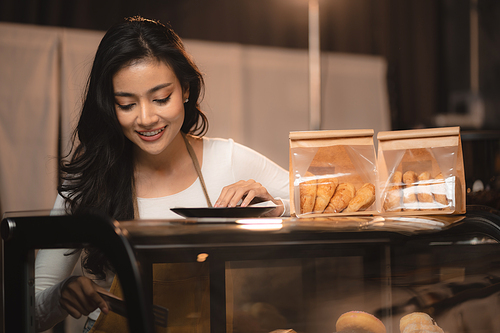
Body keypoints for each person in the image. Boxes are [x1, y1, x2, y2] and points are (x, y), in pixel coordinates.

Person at [34, 16, 289, 333]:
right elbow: (31, 313)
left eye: (160, 98)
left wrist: (275, 206)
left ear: (185, 89)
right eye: (126, 104)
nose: (145, 118)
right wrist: (63, 295)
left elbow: (329, 205)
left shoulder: (227, 159)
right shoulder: (89, 181)